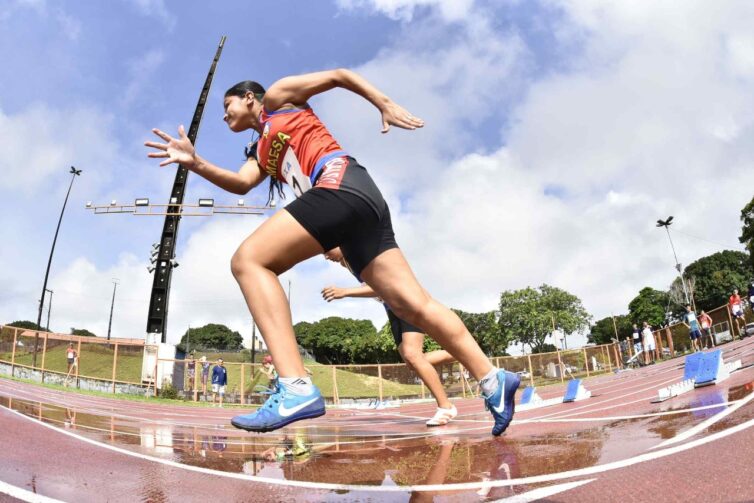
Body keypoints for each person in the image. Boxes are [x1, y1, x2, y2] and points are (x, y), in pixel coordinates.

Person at [146, 68, 518, 436]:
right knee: (411, 304)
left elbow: (340, 75)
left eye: (227, 105)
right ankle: (492, 378)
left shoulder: (278, 98)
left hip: (339, 182)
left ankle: (295, 386)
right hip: (357, 205)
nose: (224, 115)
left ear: (249, 98)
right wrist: (196, 163)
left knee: (249, 260)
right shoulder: (260, 149)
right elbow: (242, 184)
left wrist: (384, 104)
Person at [322, 247, 458, 426]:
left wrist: (345, 292)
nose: (326, 256)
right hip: (393, 309)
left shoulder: (362, 254)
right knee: (412, 363)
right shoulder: (350, 263)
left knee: (413, 356)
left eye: (327, 249)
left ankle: (446, 406)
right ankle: (459, 354)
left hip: (408, 301)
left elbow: (382, 287)